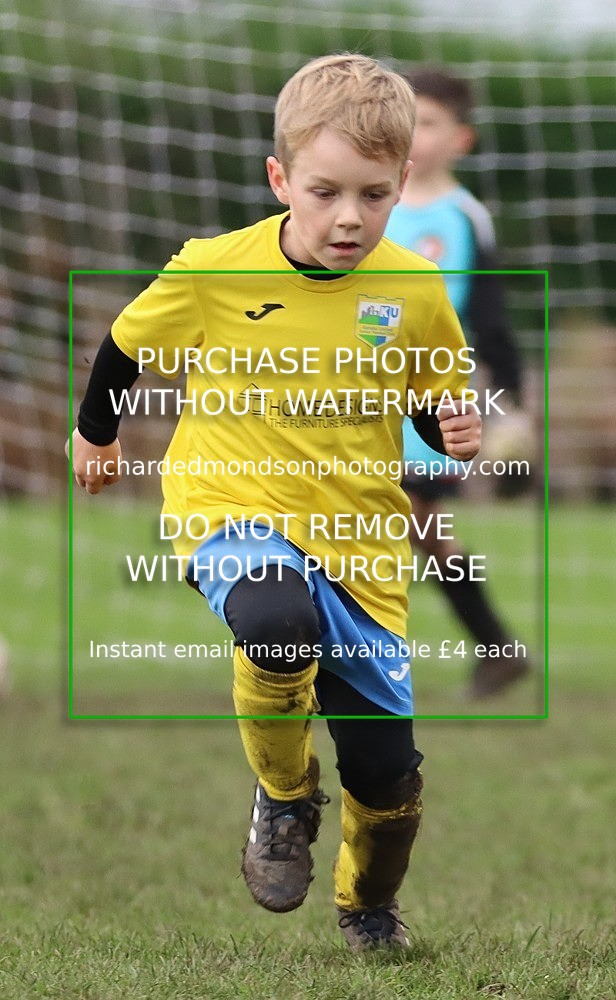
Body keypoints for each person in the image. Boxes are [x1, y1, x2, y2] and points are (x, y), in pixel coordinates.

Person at [67, 54, 481, 951]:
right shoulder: (216, 269)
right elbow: (124, 345)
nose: (347, 218)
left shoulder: (413, 289)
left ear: (404, 182)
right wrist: (95, 435)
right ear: (281, 177)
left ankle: (367, 906)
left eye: (373, 196)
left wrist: (453, 423)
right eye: (325, 191)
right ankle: (285, 797)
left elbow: (428, 390)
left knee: (386, 778)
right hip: (230, 507)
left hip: (360, 543)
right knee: (275, 616)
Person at [385, 68, 530, 699]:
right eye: (405, 119)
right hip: (352, 392)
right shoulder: (366, 199)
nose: (414, 135)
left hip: (427, 400)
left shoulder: (465, 217)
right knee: (413, 526)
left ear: (461, 139)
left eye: (430, 123)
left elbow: (491, 319)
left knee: (410, 516)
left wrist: (515, 406)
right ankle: (497, 648)